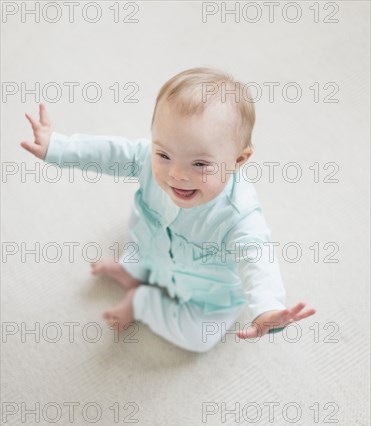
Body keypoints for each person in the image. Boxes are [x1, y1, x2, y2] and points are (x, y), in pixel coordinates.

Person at [20, 67, 316, 352]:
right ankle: (131, 270)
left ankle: (142, 301)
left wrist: (267, 308)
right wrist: (57, 148)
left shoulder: (239, 215)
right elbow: (110, 153)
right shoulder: (148, 158)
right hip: (152, 249)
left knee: (200, 337)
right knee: (138, 231)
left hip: (206, 294)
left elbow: (257, 259)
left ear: (238, 161)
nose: (176, 174)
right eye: (164, 154)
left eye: (199, 164)